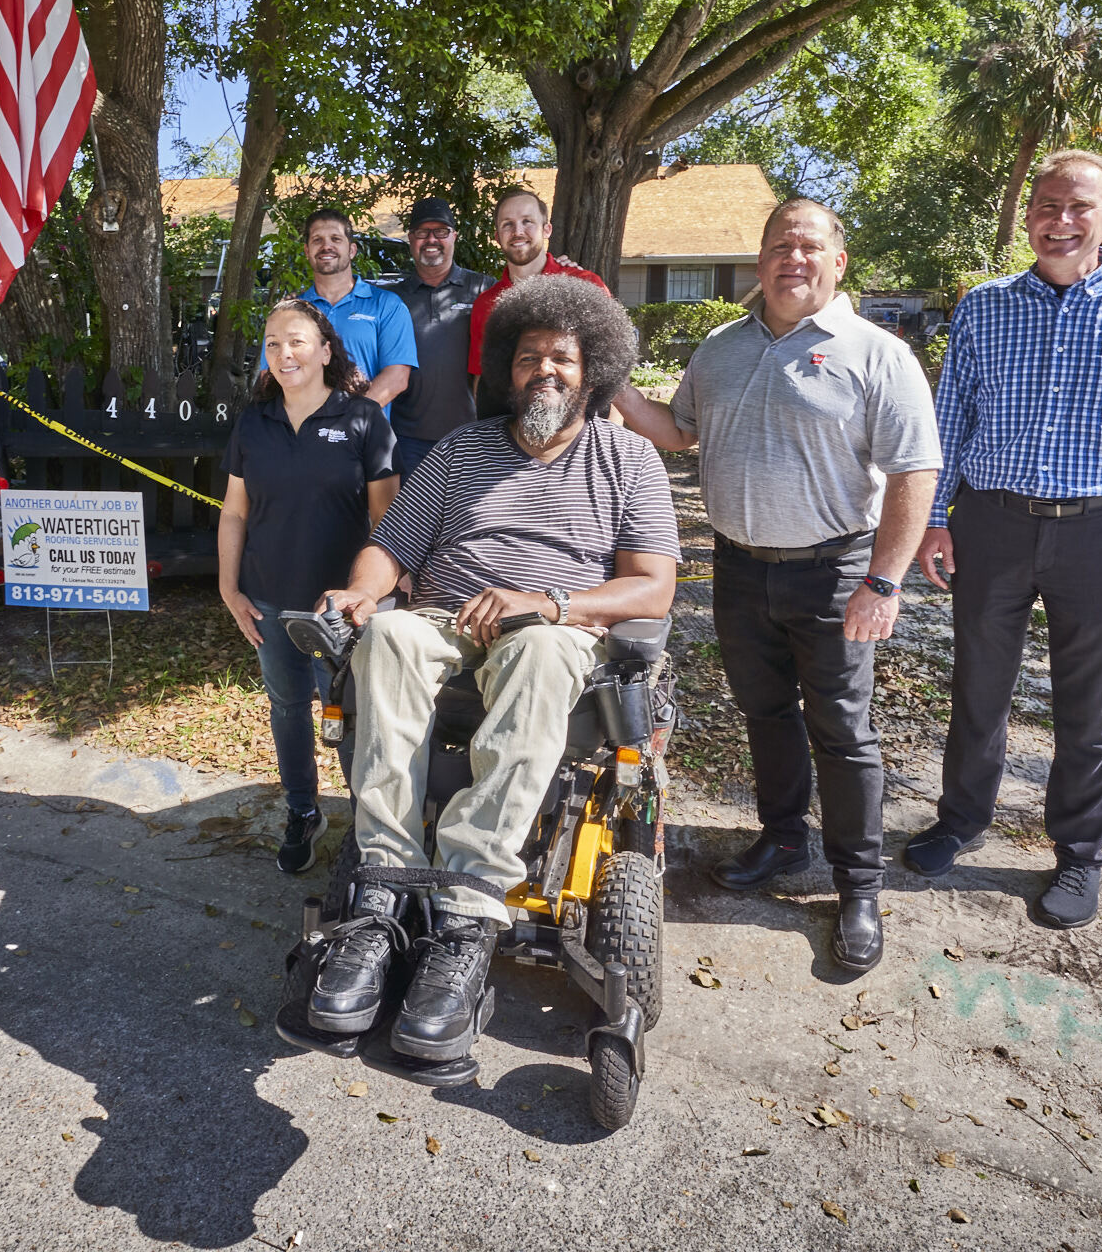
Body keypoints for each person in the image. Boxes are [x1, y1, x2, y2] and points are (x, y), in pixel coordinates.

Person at [306, 275, 679, 1061]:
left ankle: (469, 913)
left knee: (540, 651)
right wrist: (361, 594)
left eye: (564, 359)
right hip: (448, 618)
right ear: (505, 368)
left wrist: (545, 601)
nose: (545, 370)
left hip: (558, 626)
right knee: (391, 638)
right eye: (529, 357)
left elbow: (653, 582)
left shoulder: (628, 459)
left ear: (594, 371)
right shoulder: (461, 450)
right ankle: (381, 895)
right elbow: (391, 548)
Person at [615, 198, 939, 971]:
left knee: (843, 730)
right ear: (758, 262)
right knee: (765, 713)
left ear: (838, 261)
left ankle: (858, 884)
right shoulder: (722, 347)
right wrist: (616, 392)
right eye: (777, 247)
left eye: (808, 246)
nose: (792, 259)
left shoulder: (875, 353)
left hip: (836, 574)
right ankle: (784, 838)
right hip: (737, 568)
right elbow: (680, 431)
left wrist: (884, 584)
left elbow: (913, 472)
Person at [906, 149, 1102, 931]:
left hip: (1101, 533)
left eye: (1079, 207)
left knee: (1089, 706)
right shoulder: (986, 306)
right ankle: (960, 820)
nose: (1059, 220)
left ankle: (1079, 854)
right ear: (1028, 216)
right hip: (992, 522)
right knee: (978, 690)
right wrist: (934, 518)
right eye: (1046, 205)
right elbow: (952, 421)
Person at [218, 301, 400, 874]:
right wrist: (229, 589)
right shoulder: (254, 423)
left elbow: (388, 519)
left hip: (338, 609)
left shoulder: (364, 421)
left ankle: (365, 823)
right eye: (272, 344)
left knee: (347, 713)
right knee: (288, 708)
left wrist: (375, 596)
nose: (283, 354)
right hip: (267, 599)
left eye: (295, 341)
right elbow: (233, 514)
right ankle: (303, 811)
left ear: (325, 350)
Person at [257, 208, 418, 412]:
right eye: (317, 240)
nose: (326, 246)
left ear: (352, 250)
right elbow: (269, 376)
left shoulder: (386, 305)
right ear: (307, 251)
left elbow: (397, 377)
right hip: (302, 433)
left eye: (335, 239)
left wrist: (346, 421)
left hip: (364, 434)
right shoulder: (290, 312)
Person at [466, 189, 609, 415]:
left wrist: (613, 434)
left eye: (527, 221)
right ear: (497, 236)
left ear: (547, 229)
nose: (518, 231)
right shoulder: (486, 304)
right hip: (509, 432)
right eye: (507, 224)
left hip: (578, 429)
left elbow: (615, 368)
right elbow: (481, 380)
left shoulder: (585, 287)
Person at [384, 196, 490, 475]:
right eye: (422, 232)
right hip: (407, 441)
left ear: (454, 236)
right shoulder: (391, 299)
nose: (431, 239)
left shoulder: (483, 290)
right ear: (410, 238)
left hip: (471, 438)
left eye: (441, 232)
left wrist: (562, 269)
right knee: (411, 519)